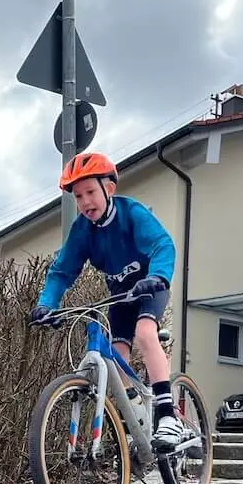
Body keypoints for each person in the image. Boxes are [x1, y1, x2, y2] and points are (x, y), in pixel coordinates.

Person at [30, 152, 191, 452]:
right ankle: (135, 422)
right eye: (78, 196)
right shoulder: (82, 230)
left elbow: (162, 244)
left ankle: (168, 415)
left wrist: (157, 276)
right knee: (116, 360)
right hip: (119, 295)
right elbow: (62, 270)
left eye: (90, 192)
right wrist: (47, 304)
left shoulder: (132, 213)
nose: (85, 202)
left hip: (149, 287)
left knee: (145, 333)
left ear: (109, 189)